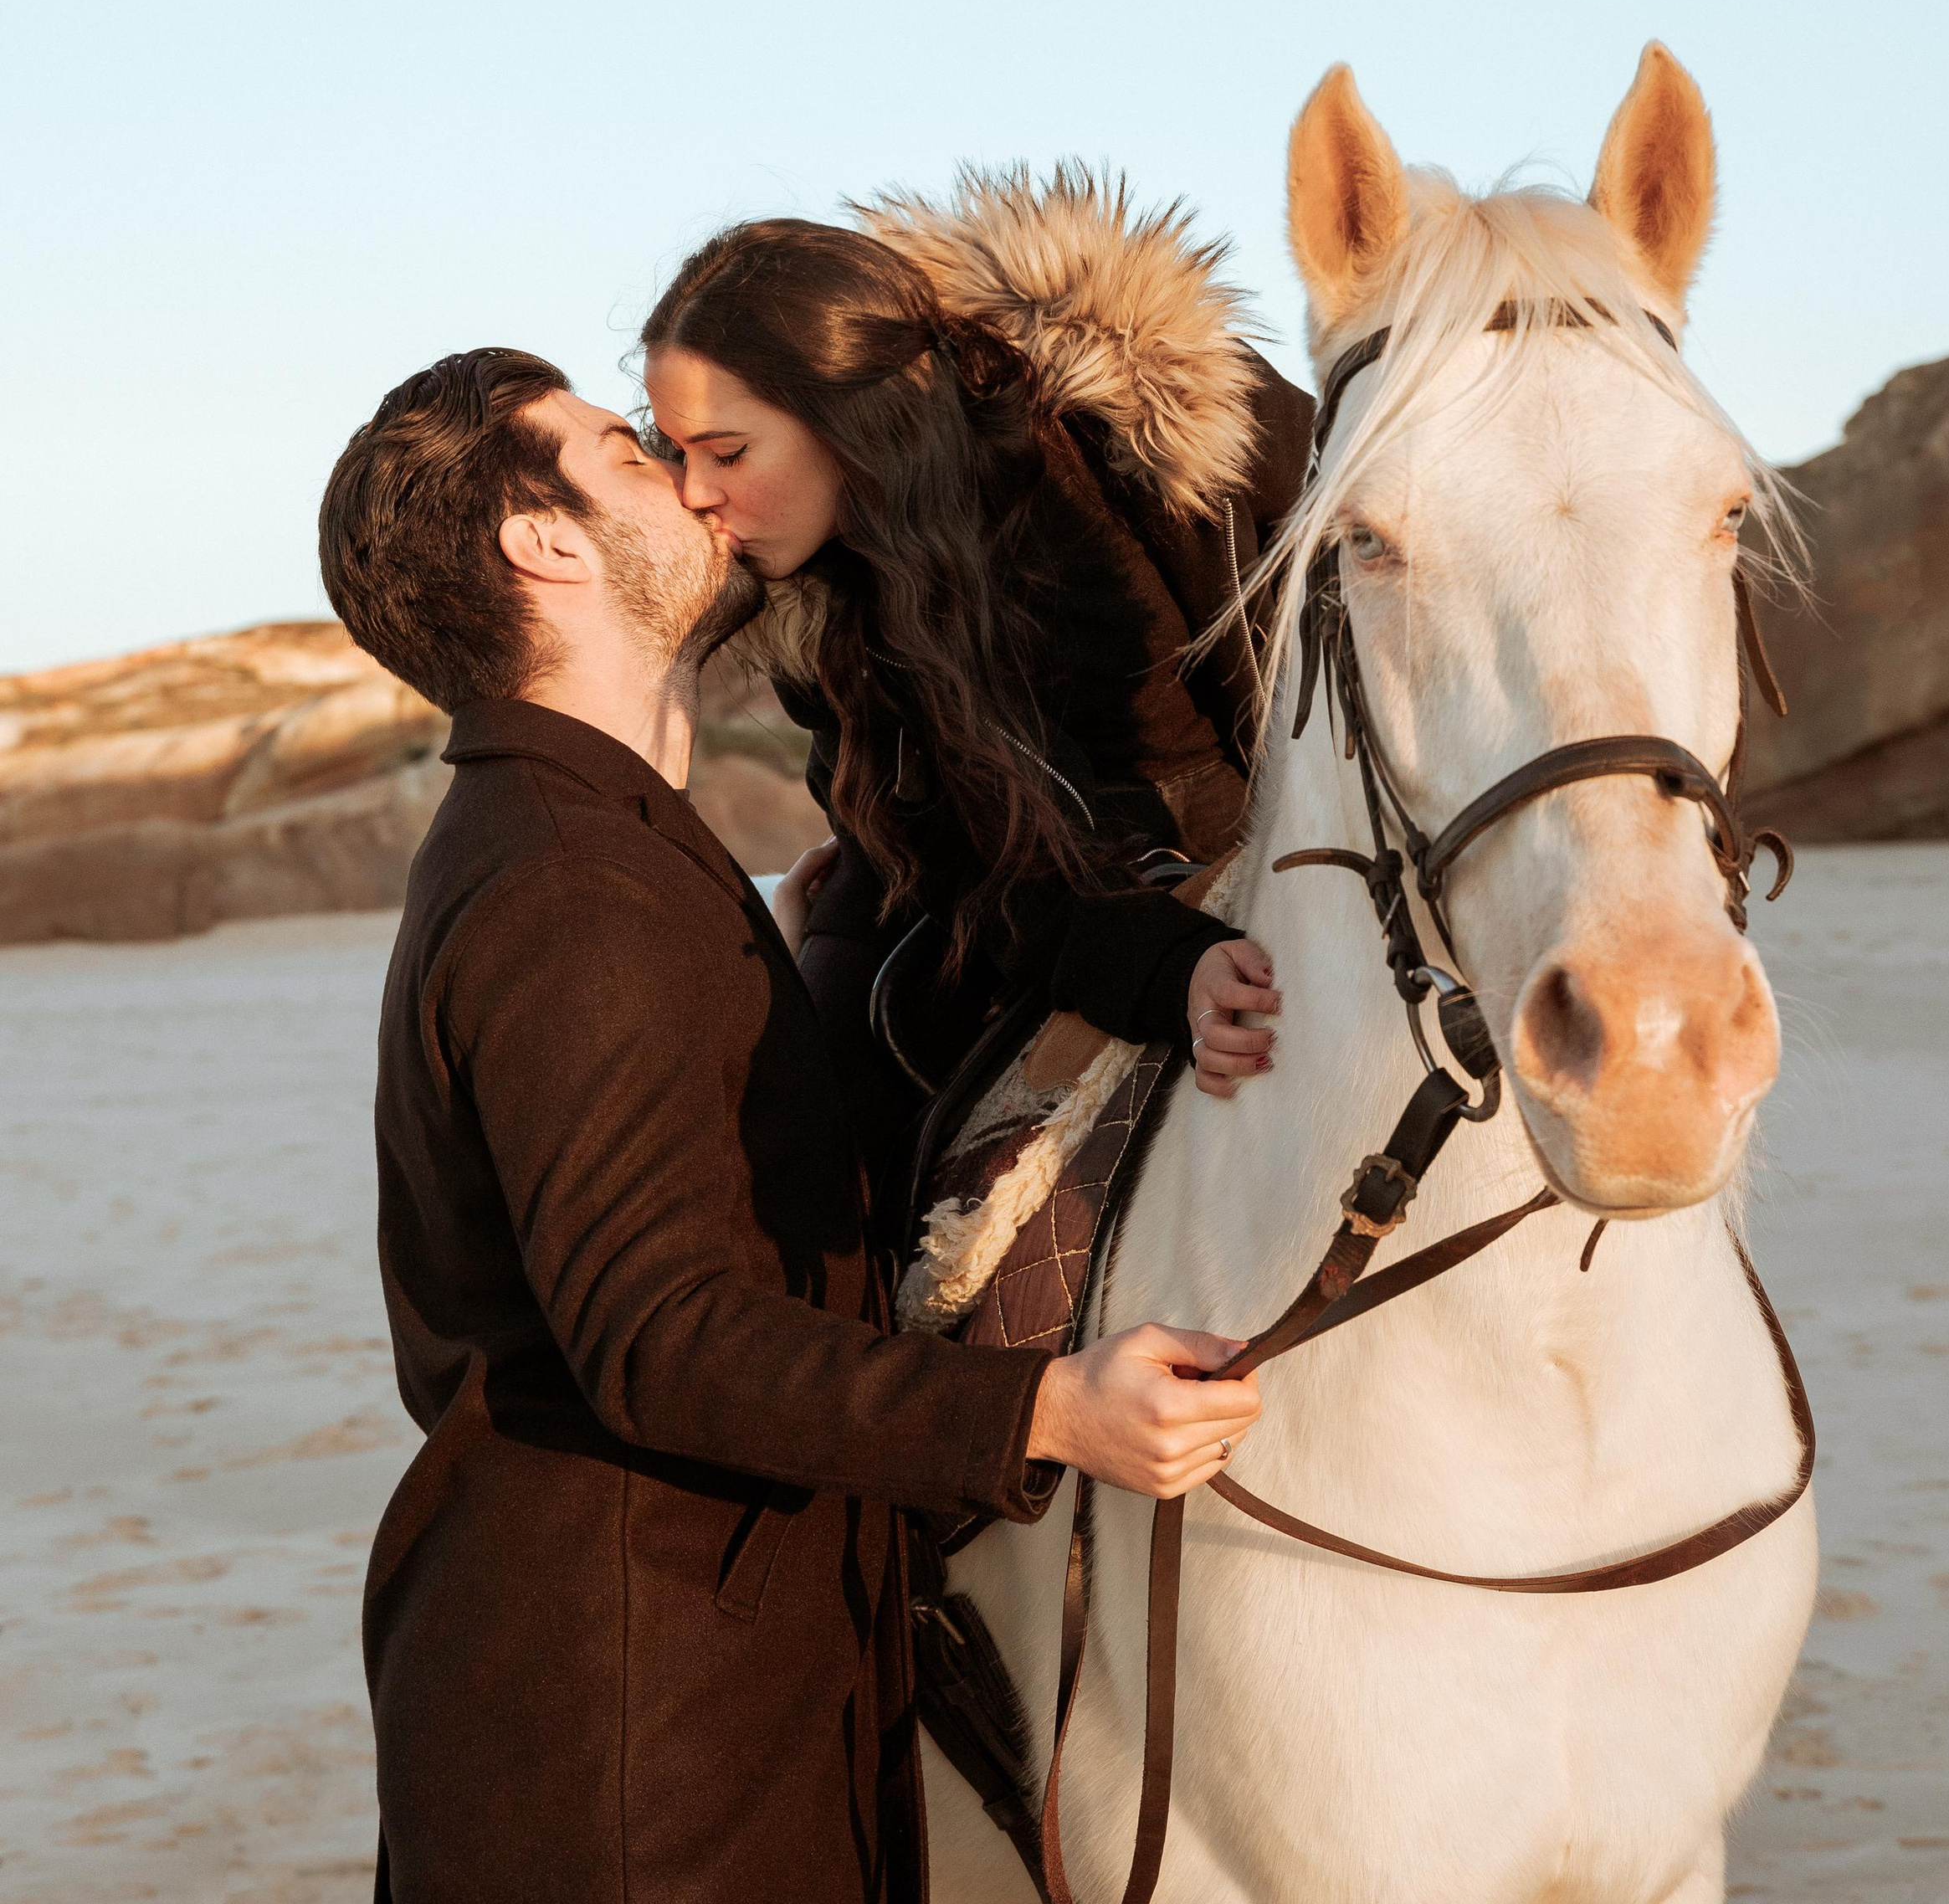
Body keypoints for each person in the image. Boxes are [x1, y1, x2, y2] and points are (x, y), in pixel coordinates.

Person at [318, 347, 1259, 1904]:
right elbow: (664, 1335)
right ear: (542, 543)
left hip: (666, 1681)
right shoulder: (572, 886)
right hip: (639, 1752)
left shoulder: (588, 848)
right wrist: (1048, 1413)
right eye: (626, 454)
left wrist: (812, 956)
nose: (690, 478)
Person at [637, 170, 1316, 1179]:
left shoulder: (1150, 439)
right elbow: (989, 864)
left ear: (848, 414)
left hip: (1295, 841)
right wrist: (1166, 964)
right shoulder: (825, 605)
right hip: (1018, 914)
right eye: (674, 450)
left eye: (727, 450)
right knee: (805, 1135)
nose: (694, 493)